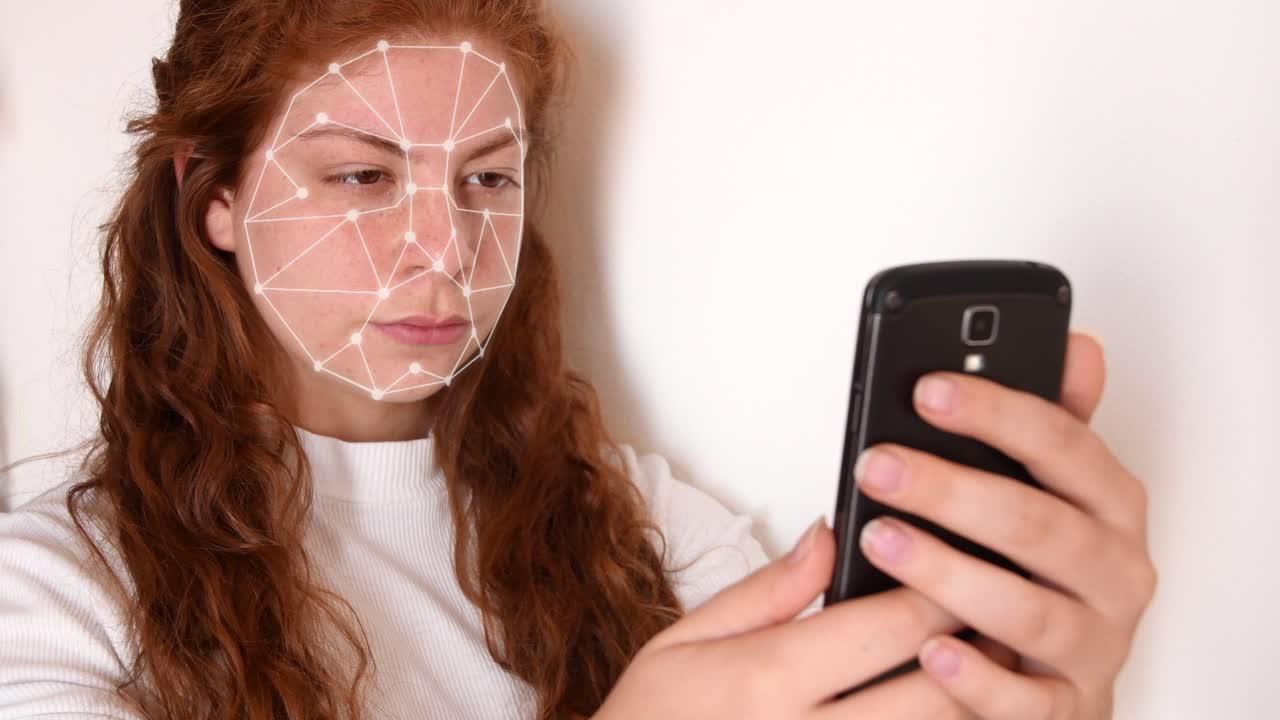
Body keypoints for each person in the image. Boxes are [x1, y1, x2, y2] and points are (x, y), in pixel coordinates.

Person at [0, 1, 1157, 719]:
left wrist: (1042, 693)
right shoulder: (49, 598)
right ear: (214, 200)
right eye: (361, 176)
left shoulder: (637, 523)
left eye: (486, 179)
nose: (446, 249)